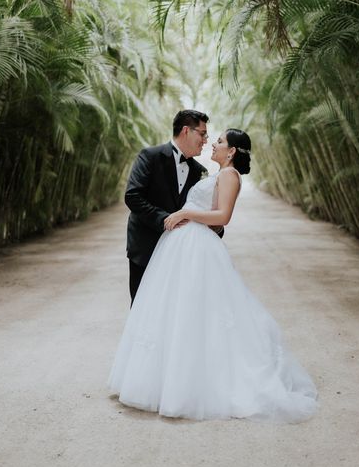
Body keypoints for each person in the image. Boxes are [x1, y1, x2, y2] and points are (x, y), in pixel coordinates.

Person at [109, 128, 318, 422]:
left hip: (198, 245)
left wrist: (185, 214)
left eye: (219, 141)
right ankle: (164, 379)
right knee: (176, 311)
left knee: (198, 311)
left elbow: (222, 217)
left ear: (231, 151)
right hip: (183, 245)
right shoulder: (214, 174)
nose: (213, 144)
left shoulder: (230, 176)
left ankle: (190, 385)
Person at [125, 110, 212, 304]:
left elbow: (203, 211)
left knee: (173, 310)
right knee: (142, 305)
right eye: (202, 133)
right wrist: (165, 220)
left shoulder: (200, 172)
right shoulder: (149, 156)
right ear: (186, 131)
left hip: (182, 253)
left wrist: (214, 227)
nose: (205, 140)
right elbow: (133, 196)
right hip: (146, 246)